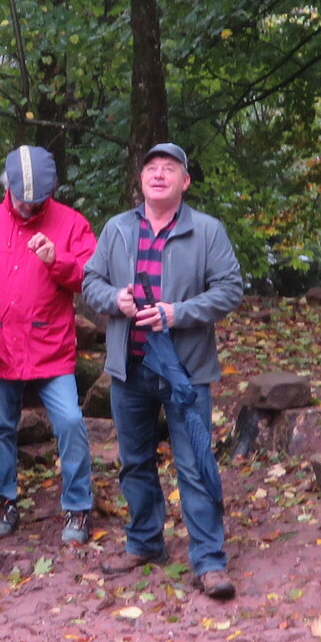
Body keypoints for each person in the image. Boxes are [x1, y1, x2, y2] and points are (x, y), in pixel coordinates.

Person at [83, 142, 247, 599]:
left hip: (185, 371)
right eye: (151, 168)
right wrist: (113, 299)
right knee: (135, 462)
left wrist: (177, 313)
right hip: (130, 367)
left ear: (185, 181)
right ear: (141, 179)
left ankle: (209, 561)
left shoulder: (207, 231)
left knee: (194, 465)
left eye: (169, 168)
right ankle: (144, 543)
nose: (158, 174)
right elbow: (90, 281)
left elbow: (230, 290)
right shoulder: (117, 229)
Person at [0, 146, 98, 543]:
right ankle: (3, 501)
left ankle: (78, 507)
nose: (27, 206)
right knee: (0, 426)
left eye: (36, 201)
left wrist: (57, 261)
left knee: (70, 422)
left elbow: (91, 277)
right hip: (1, 343)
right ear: (7, 187)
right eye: (22, 198)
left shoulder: (71, 223)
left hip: (50, 345)